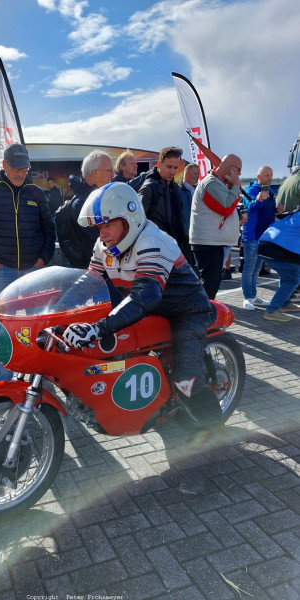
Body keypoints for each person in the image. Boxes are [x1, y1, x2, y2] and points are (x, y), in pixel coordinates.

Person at [63, 182, 222, 427]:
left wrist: (97, 328)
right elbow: (88, 283)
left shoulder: (152, 241)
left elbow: (145, 296)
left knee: (186, 382)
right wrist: (56, 308)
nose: (102, 233)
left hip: (186, 310)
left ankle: (217, 432)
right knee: (122, 364)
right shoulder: (103, 247)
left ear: (130, 218)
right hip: (150, 310)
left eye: (108, 224)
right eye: (98, 227)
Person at [0, 142, 55, 381]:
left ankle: (38, 380)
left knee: (38, 326)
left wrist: (41, 261)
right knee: (4, 328)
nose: (20, 173)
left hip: (33, 273)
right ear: (4, 165)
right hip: (2, 272)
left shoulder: (37, 194)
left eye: (25, 168)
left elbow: (49, 230)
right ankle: (4, 382)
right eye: (16, 168)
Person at [189, 154, 241, 299]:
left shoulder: (217, 183)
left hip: (213, 242)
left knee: (211, 285)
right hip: (208, 243)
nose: (239, 174)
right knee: (209, 286)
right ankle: (202, 317)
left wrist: (232, 187)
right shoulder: (211, 183)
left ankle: (205, 315)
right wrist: (235, 187)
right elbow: (226, 207)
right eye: (238, 170)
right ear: (230, 168)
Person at [139, 147, 195, 268]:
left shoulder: (174, 187)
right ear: (159, 164)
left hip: (177, 248)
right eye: (169, 167)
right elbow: (138, 222)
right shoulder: (149, 188)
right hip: (157, 251)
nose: (173, 172)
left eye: (176, 168)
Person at [63, 150, 114, 269]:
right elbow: (103, 241)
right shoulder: (81, 203)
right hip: (92, 273)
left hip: (104, 268)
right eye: (109, 171)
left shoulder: (98, 197)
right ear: (95, 172)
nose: (113, 175)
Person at [241, 166, 281, 310]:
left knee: (257, 267)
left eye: (271, 175)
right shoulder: (252, 190)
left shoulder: (269, 190)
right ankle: (247, 298)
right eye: (266, 175)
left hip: (264, 236)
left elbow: (267, 212)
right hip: (252, 235)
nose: (269, 178)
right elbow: (250, 207)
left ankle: (253, 296)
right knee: (249, 267)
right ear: (259, 176)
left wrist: (277, 210)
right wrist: (258, 200)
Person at [258, 209, 300, 322]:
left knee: (287, 276)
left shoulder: (294, 214)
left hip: (264, 246)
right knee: (292, 280)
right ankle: (272, 310)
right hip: (280, 250)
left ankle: (285, 303)